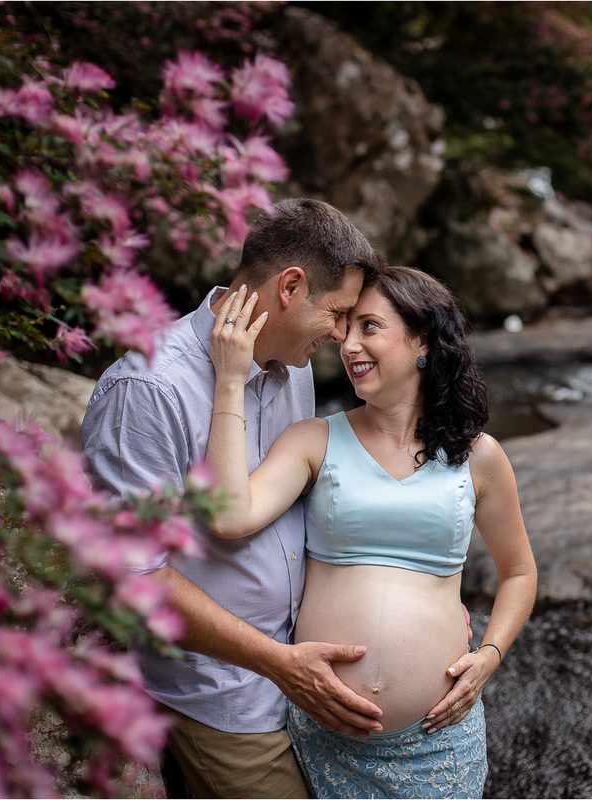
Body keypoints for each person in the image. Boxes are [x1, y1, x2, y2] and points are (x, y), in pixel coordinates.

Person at [81, 198, 389, 799]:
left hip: (298, 677)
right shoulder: (148, 388)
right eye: (338, 313)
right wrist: (277, 662)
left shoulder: (291, 368)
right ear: (290, 287)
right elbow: (132, 577)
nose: (342, 334)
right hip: (222, 693)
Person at [205, 266, 538, 798]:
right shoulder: (314, 440)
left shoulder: (480, 457)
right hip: (326, 739)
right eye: (346, 327)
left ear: (422, 341)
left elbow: (519, 571)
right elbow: (228, 515)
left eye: (370, 327)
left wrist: (490, 657)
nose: (348, 344)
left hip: (438, 743)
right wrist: (230, 380)